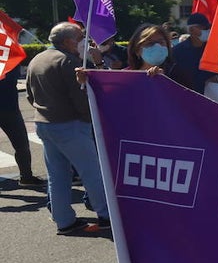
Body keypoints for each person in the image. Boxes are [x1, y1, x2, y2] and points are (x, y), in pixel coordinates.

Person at [24, 23, 110, 235]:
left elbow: (29, 95)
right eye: (80, 37)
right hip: (70, 125)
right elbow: (81, 100)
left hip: (44, 123)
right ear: (68, 42)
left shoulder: (37, 59)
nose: (84, 41)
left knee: (58, 175)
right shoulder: (68, 61)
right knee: (92, 173)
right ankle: (106, 215)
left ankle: (64, 221)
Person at [0, 68, 43, 186]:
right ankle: (26, 176)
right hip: (10, 109)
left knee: (21, 145)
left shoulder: (11, 63)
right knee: (21, 145)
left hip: (10, 109)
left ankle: (26, 176)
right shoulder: (11, 63)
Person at [125, 24, 196, 89]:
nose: (157, 46)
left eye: (161, 42)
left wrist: (165, 82)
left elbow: (188, 100)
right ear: (137, 50)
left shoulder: (179, 75)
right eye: (150, 43)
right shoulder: (125, 76)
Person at [171, 12, 218, 94]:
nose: (207, 30)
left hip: (212, 98)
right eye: (202, 28)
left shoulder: (215, 50)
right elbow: (172, 77)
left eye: (208, 27)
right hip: (186, 97)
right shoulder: (177, 51)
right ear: (191, 30)